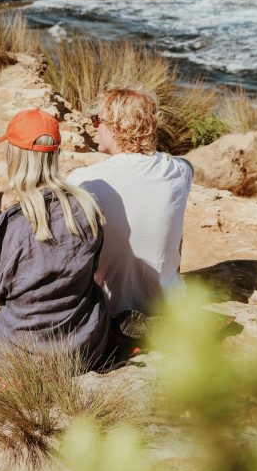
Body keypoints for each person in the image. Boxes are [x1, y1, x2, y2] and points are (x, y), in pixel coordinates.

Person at [0, 109, 109, 367]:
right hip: (84, 348)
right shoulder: (86, 206)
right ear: (56, 154)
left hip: (23, 356)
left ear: (13, 154)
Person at [68, 86, 193, 318]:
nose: (94, 127)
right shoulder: (181, 171)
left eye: (97, 120)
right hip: (168, 307)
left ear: (115, 127)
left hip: (109, 308)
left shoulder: (82, 180)